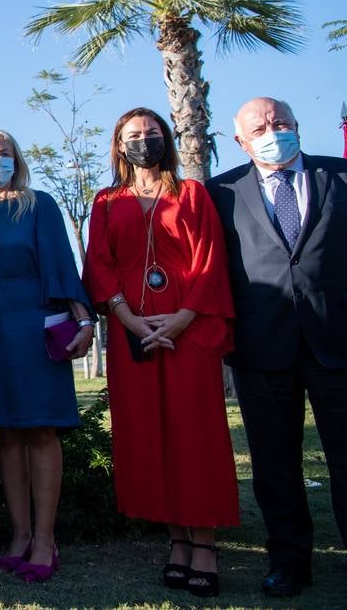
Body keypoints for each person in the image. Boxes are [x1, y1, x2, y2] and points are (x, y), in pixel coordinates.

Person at [83, 108, 237, 599]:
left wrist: (183, 317)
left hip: (187, 330)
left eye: (151, 133)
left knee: (197, 435)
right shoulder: (106, 201)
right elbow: (99, 265)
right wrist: (129, 320)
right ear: (118, 144)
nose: (143, 141)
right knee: (150, 435)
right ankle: (175, 541)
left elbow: (210, 260)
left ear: (165, 139)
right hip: (134, 333)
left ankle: (206, 545)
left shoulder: (191, 194)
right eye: (133, 135)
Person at [207, 96, 347, 599]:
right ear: (240, 141)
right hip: (261, 348)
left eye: (280, 122)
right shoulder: (219, 193)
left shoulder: (340, 176)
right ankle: (289, 562)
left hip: (338, 344)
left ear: (296, 126)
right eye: (259, 127)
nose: (272, 131)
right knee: (274, 463)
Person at [0, 128, 94, 584]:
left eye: (3, 152)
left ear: (16, 158)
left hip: (35, 320)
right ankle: (18, 536)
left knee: (39, 431)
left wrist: (84, 320)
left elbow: (62, 263)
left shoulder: (40, 204)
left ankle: (45, 539)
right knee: (7, 434)